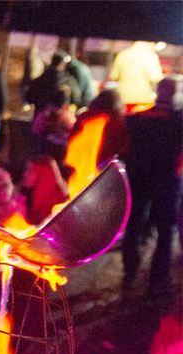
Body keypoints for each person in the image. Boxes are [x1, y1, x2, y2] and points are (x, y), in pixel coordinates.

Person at [122, 77, 183, 294]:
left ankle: (130, 267)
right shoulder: (179, 121)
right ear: (173, 93)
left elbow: (125, 148)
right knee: (165, 229)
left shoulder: (137, 118)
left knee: (134, 222)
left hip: (139, 178)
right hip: (167, 180)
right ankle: (158, 278)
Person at [70, 89, 128, 167]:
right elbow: (122, 148)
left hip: (78, 165)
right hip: (105, 167)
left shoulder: (83, 118)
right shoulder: (117, 122)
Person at [108, 41, 163, 109]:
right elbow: (156, 77)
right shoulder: (150, 56)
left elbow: (114, 76)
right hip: (142, 99)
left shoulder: (122, 54)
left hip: (123, 98)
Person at [20, 154, 69, 225]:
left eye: (30, 170)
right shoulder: (28, 200)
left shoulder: (57, 206)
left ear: (43, 175)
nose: (25, 174)